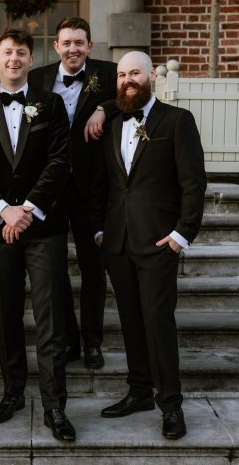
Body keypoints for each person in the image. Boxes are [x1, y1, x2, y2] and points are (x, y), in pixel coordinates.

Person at [0, 28, 76, 442]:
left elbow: (59, 162)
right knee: (7, 315)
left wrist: (27, 210)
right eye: (7, 52)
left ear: (33, 59)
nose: (14, 59)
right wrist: (3, 210)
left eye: (22, 53)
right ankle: (12, 392)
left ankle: (55, 406)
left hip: (44, 227)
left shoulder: (51, 105)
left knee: (50, 320)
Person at [92, 50, 207, 440]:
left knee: (158, 322)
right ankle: (139, 391)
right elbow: (105, 185)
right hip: (117, 241)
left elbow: (193, 183)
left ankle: (170, 403)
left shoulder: (177, 121)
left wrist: (181, 235)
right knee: (129, 321)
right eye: (122, 74)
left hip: (160, 242)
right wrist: (99, 230)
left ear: (153, 75)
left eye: (135, 73)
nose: (128, 80)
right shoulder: (110, 123)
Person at [29, 17, 117, 369]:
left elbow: (132, 98)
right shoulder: (39, 78)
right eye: (66, 43)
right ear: (56, 46)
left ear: (90, 46)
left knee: (93, 267)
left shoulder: (109, 74)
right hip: (49, 190)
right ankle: (68, 339)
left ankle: (93, 341)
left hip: (91, 188)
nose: (72, 49)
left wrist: (102, 107)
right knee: (54, 268)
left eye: (79, 42)